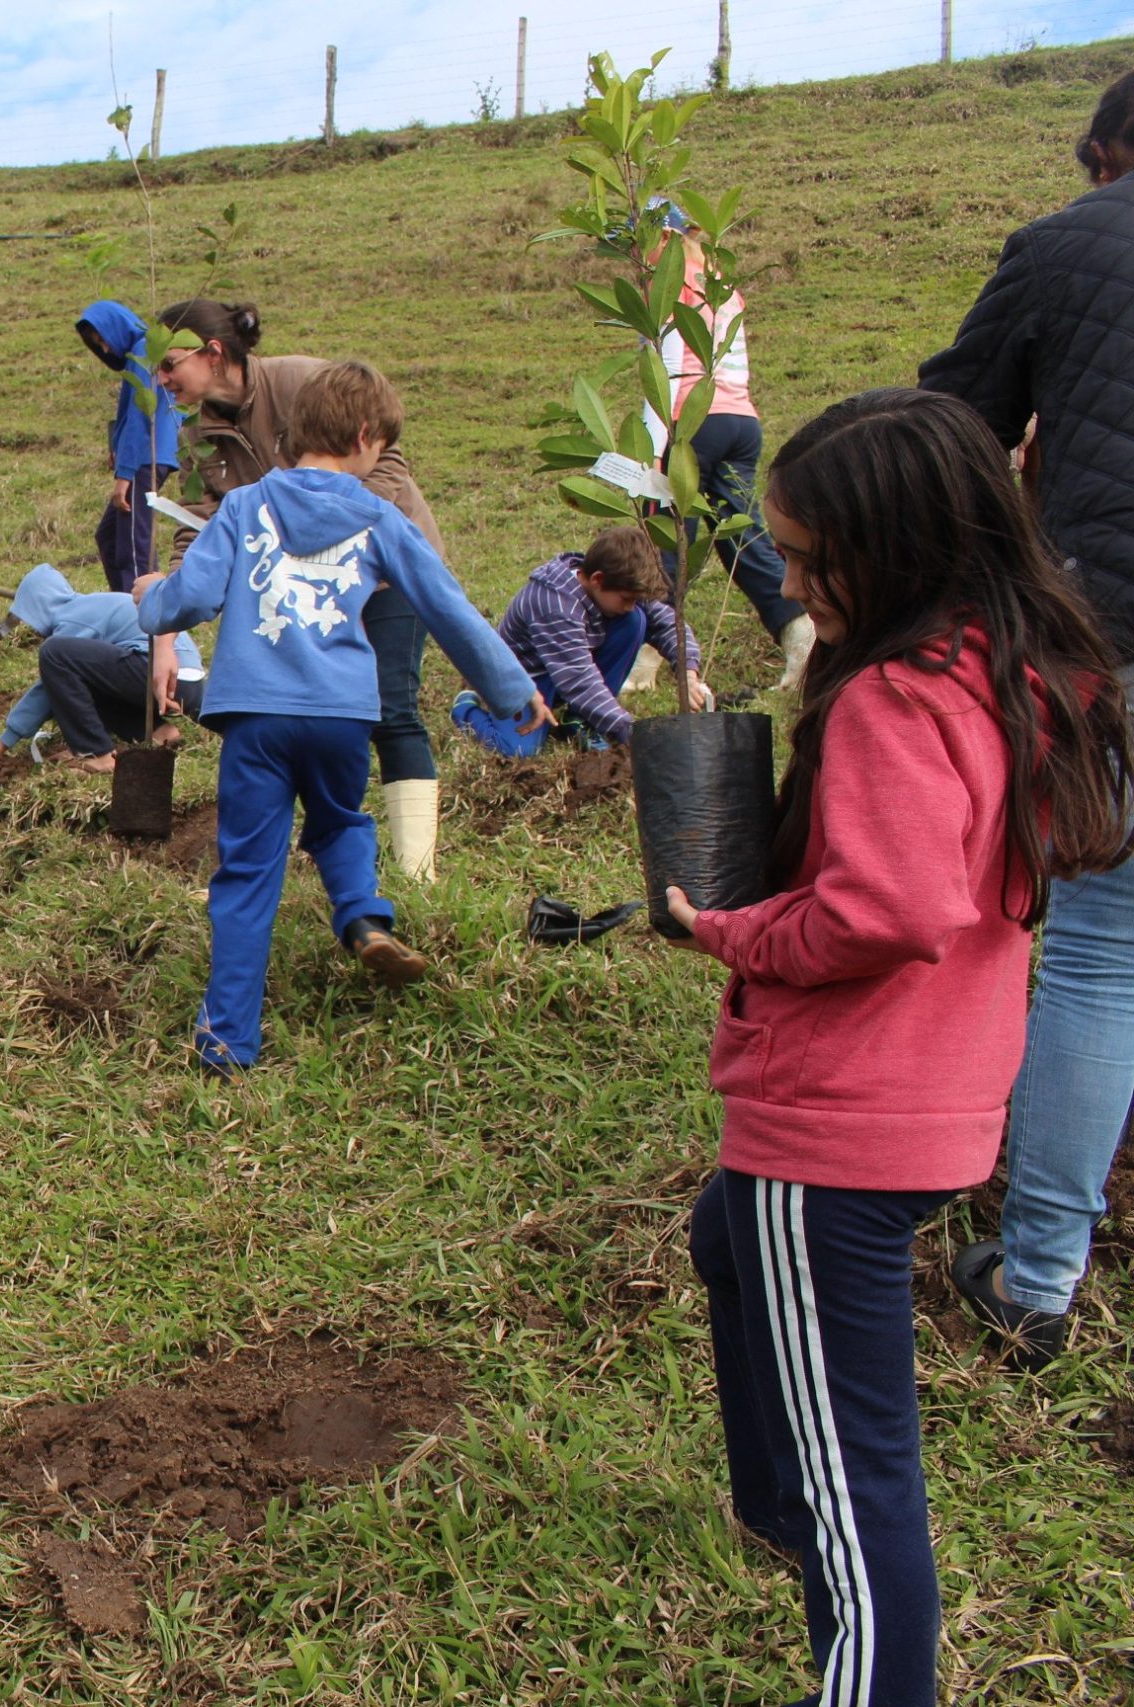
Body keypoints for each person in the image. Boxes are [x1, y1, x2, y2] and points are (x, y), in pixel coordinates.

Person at [669, 388, 1128, 1707]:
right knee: (721, 1233)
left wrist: (737, 932)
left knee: (861, 1479)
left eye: (812, 559)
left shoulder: (889, 701)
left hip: (838, 1132)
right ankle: (777, 1504)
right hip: (938, 1099)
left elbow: (890, 906)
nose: (795, 585)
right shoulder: (1011, 662)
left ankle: (843, 1607)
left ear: (904, 548)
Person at [135, 361, 548, 1073]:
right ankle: (361, 913)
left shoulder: (244, 506)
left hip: (256, 720)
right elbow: (445, 605)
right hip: (342, 716)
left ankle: (228, 1039)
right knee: (339, 821)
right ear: (363, 437)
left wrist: (151, 598)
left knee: (247, 873)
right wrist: (511, 688)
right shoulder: (379, 515)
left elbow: (192, 598)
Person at [919, 70, 1134, 1370]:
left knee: (1103, 947)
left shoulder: (1066, 244)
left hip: (1113, 641)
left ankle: (1041, 1273)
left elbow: (947, 435)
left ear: (1109, 152)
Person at [150, 300, 449, 881]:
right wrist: (168, 626)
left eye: (169, 366)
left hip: (387, 571)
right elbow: (197, 524)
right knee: (307, 711)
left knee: (391, 706)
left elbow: (388, 463)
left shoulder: (305, 383)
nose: (162, 382)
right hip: (296, 586)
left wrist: (329, 535)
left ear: (213, 352)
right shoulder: (196, 434)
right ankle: (336, 856)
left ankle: (417, 873)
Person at [639, 203, 818, 693]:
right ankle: (802, 636)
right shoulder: (721, 284)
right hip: (741, 420)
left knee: (669, 537)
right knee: (740, 535)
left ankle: (646, 661)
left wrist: (654, 452)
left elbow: (667, 366)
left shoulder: (664, 282)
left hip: (693, 420)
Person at [453, 524, 711, 757]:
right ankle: (465, 708)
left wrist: (687, 673)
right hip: (527, 678)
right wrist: (629, 731)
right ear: (598, 579)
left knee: (635, 621)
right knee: (519, 749)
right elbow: (579, 680)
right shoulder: (555, 607)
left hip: (567, 667)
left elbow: (667, 621)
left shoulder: (619, 581)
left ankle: (580, 720)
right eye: (626, 598)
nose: (630, 606)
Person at [0, 563, 202, 782]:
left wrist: (0, 745)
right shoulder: (91, 605)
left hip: (162, 672)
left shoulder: (74, 620)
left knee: (54, 654)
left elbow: (47, 689)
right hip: (186, 683)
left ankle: (97, 754)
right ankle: (161, 732)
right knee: (87, 681)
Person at [75, 301, 183, 593]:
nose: (106, 350)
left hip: (145, 457)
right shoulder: (145, 350)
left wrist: (124, 473)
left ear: (115, 327)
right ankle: (122, 604)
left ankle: (140, 623)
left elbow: (141, 417)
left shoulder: (144, 350)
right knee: (109, 537)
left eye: (103, 339)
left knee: (134, 546)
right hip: (144, 456)